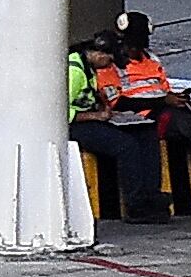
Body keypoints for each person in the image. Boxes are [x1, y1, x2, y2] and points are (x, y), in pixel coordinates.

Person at [102, 14, 191, 215]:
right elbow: (117, 102)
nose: (134, 49)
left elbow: (163, 88)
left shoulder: (151, 59)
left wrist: (175, 98)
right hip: (145, 116)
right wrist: (163, 101)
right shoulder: (110, 62)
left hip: (171, 107)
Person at [67, 39, 170, 221]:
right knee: (126, 146)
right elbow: (59, 112)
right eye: (109, 61)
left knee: (145, 132)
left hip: (91, 117)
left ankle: (151, 194)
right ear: (99, 55)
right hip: (74, 125)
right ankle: (135, 205)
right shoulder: (74, 71)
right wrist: (95, 116)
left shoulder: (89, 67)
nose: (110, 66)